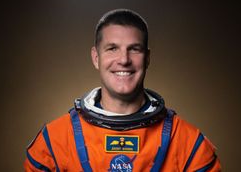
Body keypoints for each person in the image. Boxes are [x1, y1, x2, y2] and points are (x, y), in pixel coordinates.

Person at [24, 9, 221, 172]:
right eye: (112, 48)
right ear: (96, 57)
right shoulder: (53, 142)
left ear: (147, 58)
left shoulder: (188, 143)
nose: (124, 60)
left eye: (134, 49)